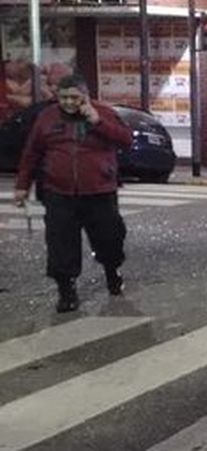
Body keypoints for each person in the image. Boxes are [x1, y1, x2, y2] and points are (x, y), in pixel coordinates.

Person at [14, 74, 133, 313]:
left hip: (99, 191)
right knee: (60, 244)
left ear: (86, 96)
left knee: (109, 238)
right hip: (58, 192)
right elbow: (31, 153)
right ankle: (66, 290)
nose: (69, 102)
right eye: (64, 97)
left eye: (74, 98)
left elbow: (126, 140)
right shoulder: (47, 118)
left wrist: (98, 122)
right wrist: (22, 186)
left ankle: (112, 272)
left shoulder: (104, 113)